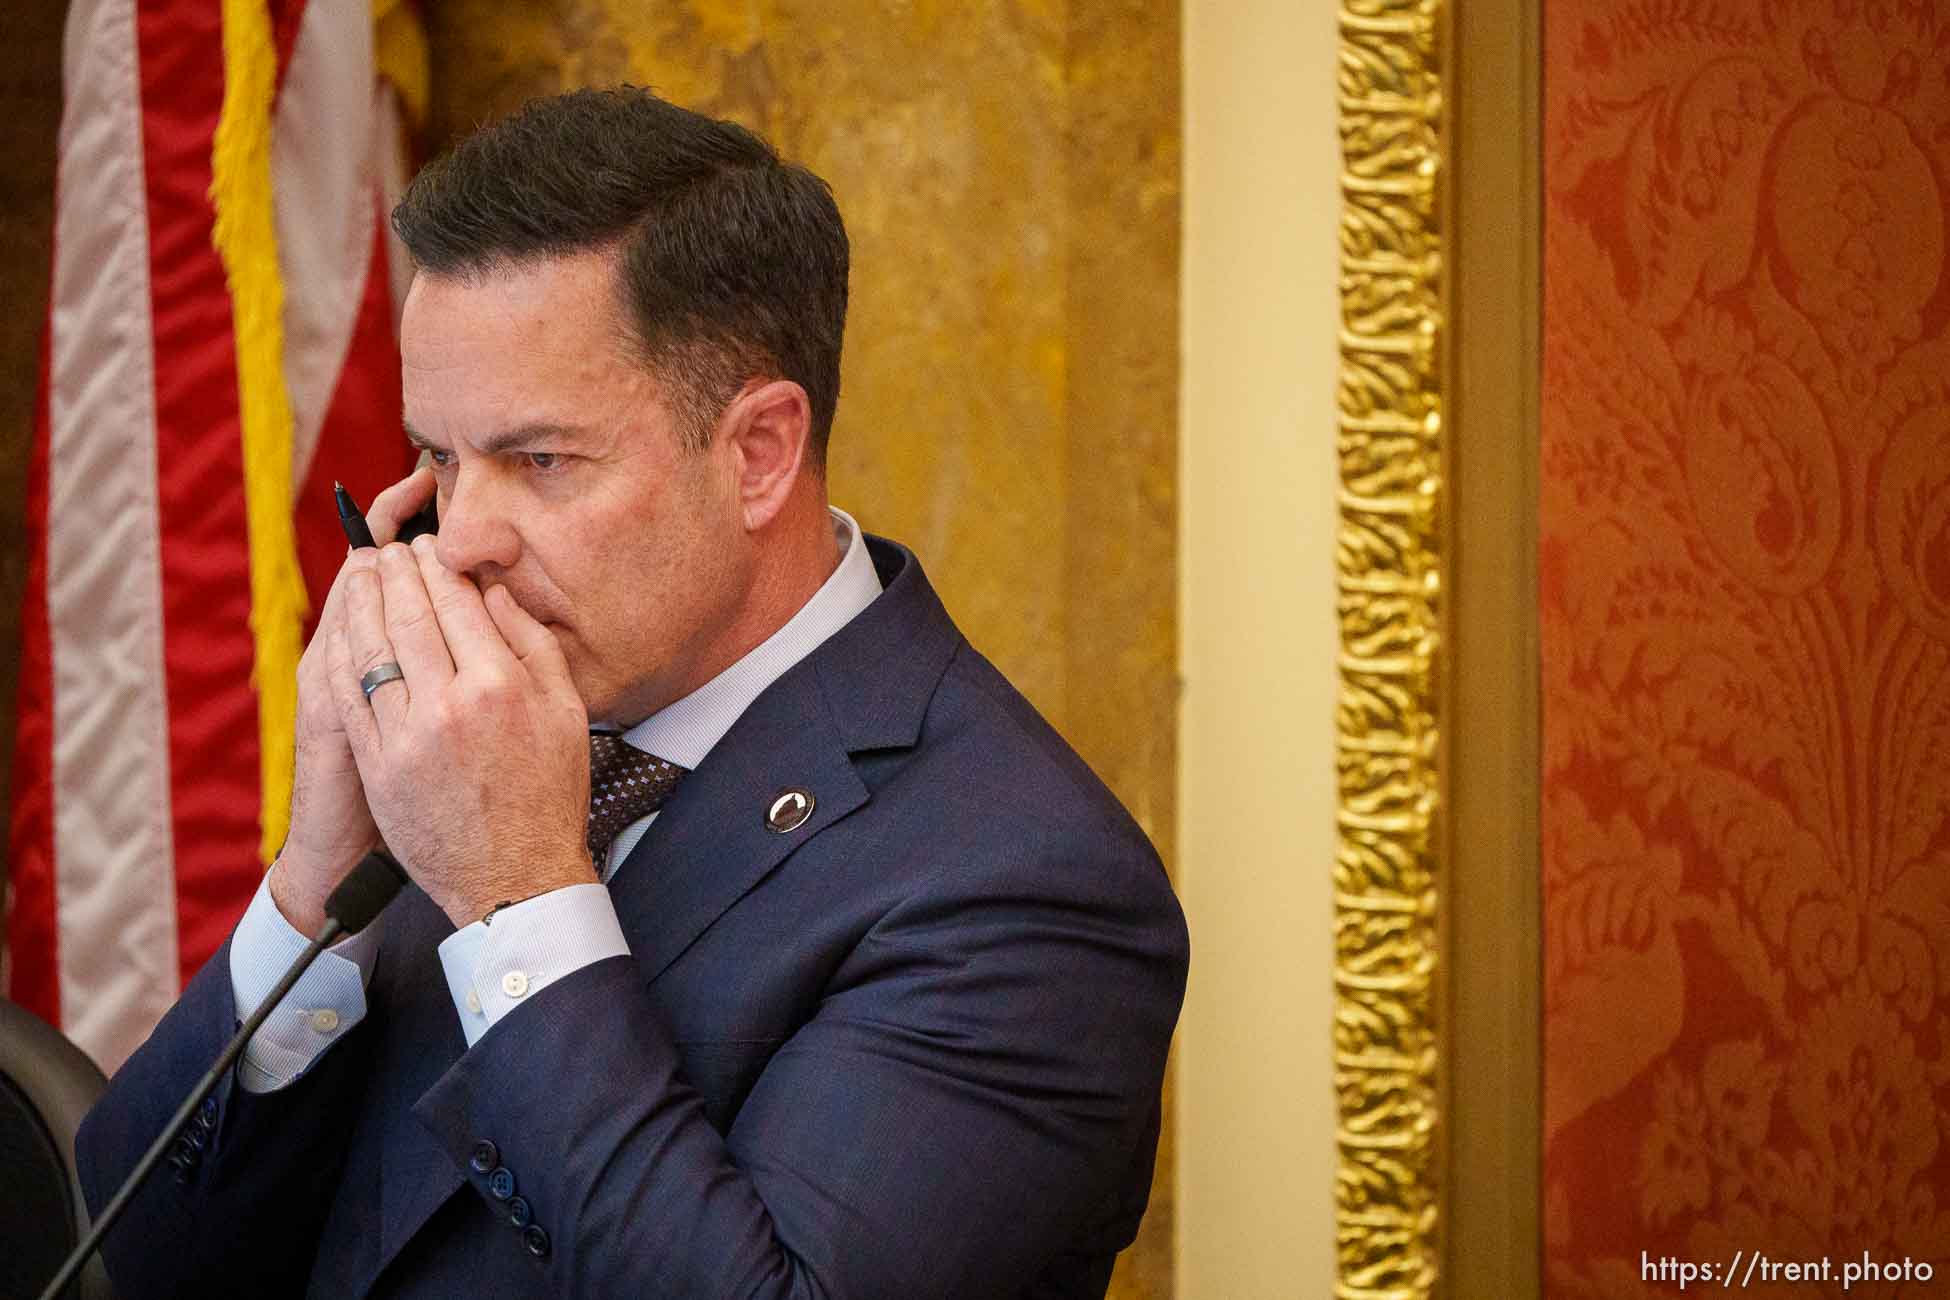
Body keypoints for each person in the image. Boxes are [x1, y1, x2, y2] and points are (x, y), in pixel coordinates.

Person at [76, 85, 1188, 1299]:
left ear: (759, 452)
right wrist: (312, 890)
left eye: (541, 461)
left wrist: (515, 892)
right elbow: (128, 1260)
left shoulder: (1023, 887)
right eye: (441, 460)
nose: (459, 544)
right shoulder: (477, 717)